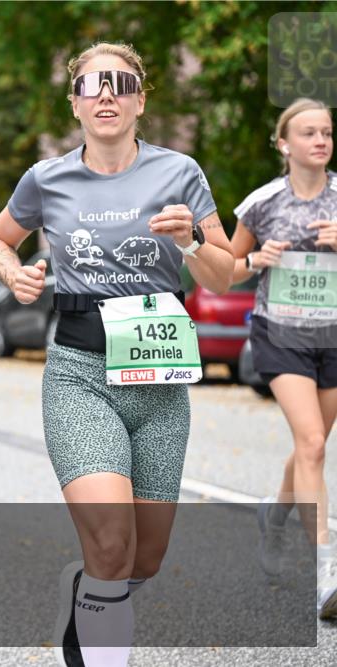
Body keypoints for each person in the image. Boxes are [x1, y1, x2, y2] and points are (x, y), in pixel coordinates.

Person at [0, 42, 233, 667]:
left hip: (159, 381)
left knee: (140, 561)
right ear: (75, 102)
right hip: (79, 374)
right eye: (93, 84)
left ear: (141, 99)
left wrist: (195, 239)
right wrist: (13, 275)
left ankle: (87, 593)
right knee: (112, 543)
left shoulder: (181, 173)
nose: (107, 94)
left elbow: (224, 276)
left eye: (122, 83)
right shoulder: (47, 179)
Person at [228, 98, 337, 619]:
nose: (320, 141)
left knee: (309, 447)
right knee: (312, 441)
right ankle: (326, 571)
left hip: (334, 335)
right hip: (281, 335)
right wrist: (255, 258)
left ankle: (274, 515)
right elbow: (223, 269)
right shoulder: (263, 202)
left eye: (327, 133)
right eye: (309, 133)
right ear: (283, 144)